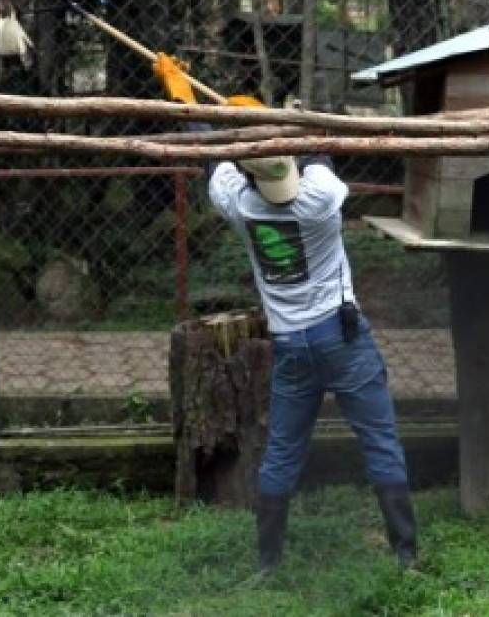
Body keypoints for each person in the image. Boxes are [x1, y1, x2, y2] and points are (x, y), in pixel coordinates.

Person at [153, 54, 417, 573]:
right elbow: (320, 145)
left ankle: (267, 564)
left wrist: (186, 99)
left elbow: (212, 158)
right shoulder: (319, 199)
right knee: (380, 441)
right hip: (343, 339)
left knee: (281, 454)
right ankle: (406, 555)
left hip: (291, 344)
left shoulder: (241, 204)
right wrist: (276, 119)